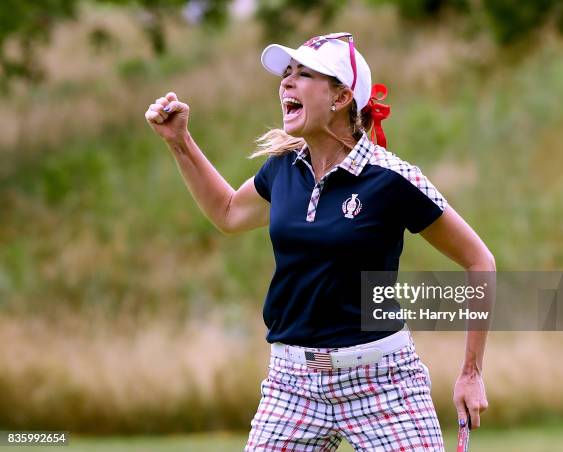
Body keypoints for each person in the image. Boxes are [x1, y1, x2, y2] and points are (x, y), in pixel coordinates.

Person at [145, 32, 493, 452]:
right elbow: (227, 213)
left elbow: (479, 260)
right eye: (286, 75)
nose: (286, 83)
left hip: (383, 383)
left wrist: (471, 372)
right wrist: (179, 141)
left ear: (341, 97)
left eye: (303, 75)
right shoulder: (283, 171)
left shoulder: (393, 179)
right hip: (292, 385)